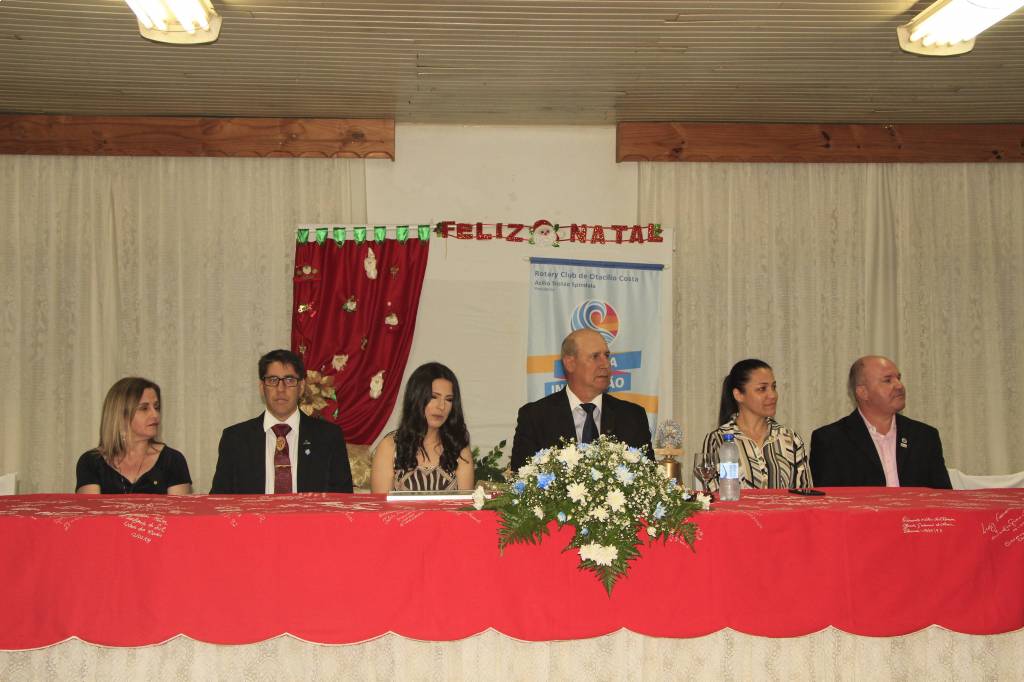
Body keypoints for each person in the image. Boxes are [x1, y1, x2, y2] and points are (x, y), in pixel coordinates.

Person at [210, 349, 353, 494]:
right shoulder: (235, 439)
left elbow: (343, 499)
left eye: (289, 380)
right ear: (262, 388)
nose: (280, 389)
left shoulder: (329, 437)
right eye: (273, 380)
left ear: (301, 387)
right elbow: (218, 501)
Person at [510, 328, 654, 472]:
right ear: (570, 363)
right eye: (595, 356)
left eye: (606, 355)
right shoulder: (535, 417)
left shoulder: (632, 416)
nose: (606, 364)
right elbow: (522, 476)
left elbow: (649, 475)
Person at [810, 355, 951, 488]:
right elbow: (828, 499)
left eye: (898, 378)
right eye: (887, 380)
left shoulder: (924, 436)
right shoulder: (831, 440)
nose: (899, 386)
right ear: (863, 392)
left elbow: (943, 497)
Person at [700, 359, 812, 490]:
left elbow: (805, 493)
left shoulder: (789, 438)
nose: (772, 395)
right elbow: (712, 493)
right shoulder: (719, 440)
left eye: (774, 387)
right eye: (762, 389)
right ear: (738, 395)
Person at [76, 377, 192, 495]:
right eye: (144, 408)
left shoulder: (172, 460)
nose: (155, 415)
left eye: (156, 407)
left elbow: (178, 507)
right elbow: (90, 506)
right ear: (121, 415)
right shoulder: (91, 462)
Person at [370, 362, 474, 492]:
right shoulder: (390, 447)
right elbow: (380, 503)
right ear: (416, 397)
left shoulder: (459, 449)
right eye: (434, 397)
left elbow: (466, 503)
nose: (441, 406)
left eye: (448, 399)